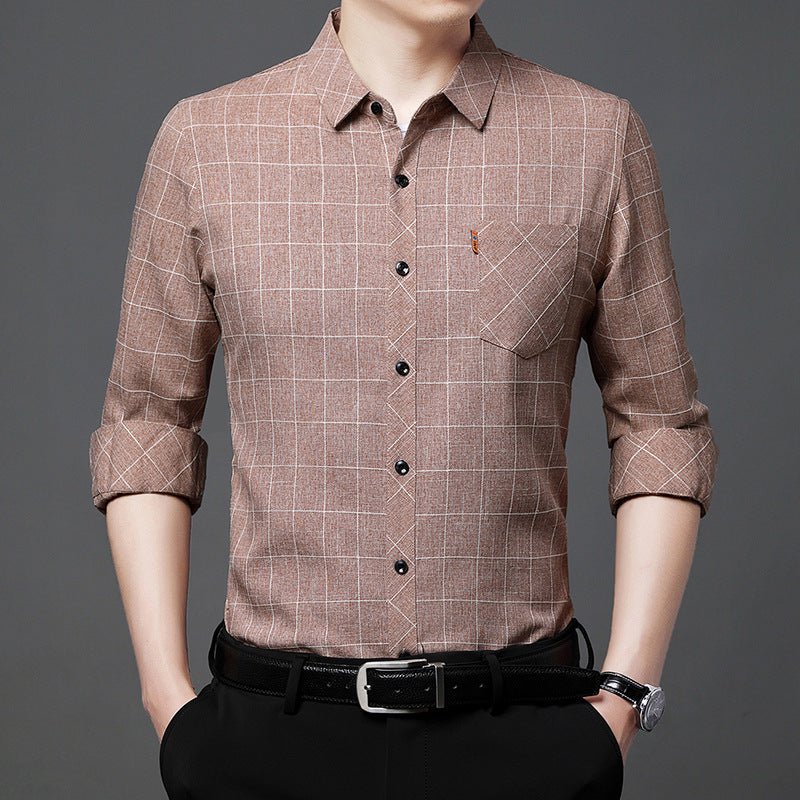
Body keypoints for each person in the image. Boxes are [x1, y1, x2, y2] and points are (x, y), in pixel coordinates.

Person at [88, 2, 719, 798]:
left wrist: (622, 699)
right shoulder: (207, 142)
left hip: (521, 736)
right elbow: (149, 423)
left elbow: (660, 424)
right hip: (267, 740)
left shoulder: (594, 137)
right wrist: (167, 699)